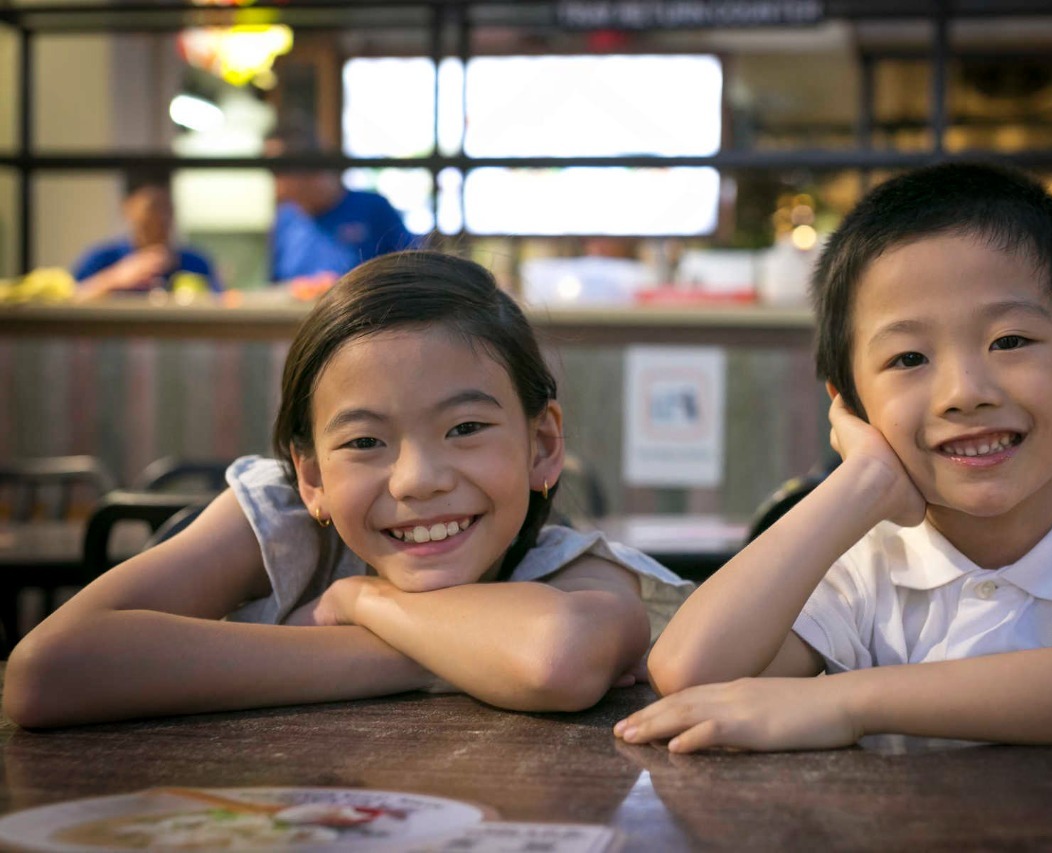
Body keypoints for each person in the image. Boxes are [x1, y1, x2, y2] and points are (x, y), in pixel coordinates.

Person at [615, 161, 1052, 754]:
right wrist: (863, 480)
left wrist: (844, 701)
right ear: (852, 405)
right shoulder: (867, 570)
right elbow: (689, 671)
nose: (964, 393)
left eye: (1010, 340)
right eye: (908, 358)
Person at [4, 250, 691, 729]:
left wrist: (362, 597)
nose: (418, 479)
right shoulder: (280, 523)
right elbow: (43, 673)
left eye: (466, 427)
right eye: (365, 441)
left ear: (542, 445)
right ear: (310, 475)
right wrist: (428, 654)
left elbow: (555, 658)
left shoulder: (571, 569)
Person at [265, 129, 415, 284]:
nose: (276, 180)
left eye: (279, 170)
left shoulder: (373, 208)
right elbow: (274, 284)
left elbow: (412, 269)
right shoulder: (286, 219)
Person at [72, 168, 221, 299]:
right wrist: (116, 278)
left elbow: (220, 304)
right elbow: (70, 301)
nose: (162, 218)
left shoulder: (194, 263)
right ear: (128, 208)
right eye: (153, 208)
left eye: (167, 207)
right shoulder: (103, 258)